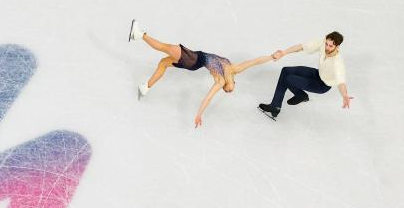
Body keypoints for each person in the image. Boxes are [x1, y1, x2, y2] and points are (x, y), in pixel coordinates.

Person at [129, 19, 276, 128]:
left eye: (227, 90)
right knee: (163, 63)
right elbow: (255, 61)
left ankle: (139, 35)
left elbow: (208, 98)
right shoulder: (234, 69)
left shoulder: (220, 82)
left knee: (165, 47)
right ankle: (145, 88)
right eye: (231, 88)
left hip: (193, 59)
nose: (229, 88)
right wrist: (272, 56)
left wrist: (199, 115)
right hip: (194, 61)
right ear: (233, 81)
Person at [258, 32, 352, 119]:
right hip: (317, 74)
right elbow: (302, 47)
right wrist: (284, 52)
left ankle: (275, 106)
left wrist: (344, 95)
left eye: (330, 46)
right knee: (285, 71)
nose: (327, 47)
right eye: (326, 44)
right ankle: (300, 96)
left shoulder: (337, 63)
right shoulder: (323, 43)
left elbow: (341, 82)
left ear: (337, 46)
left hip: (322, 86)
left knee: (288, 79)